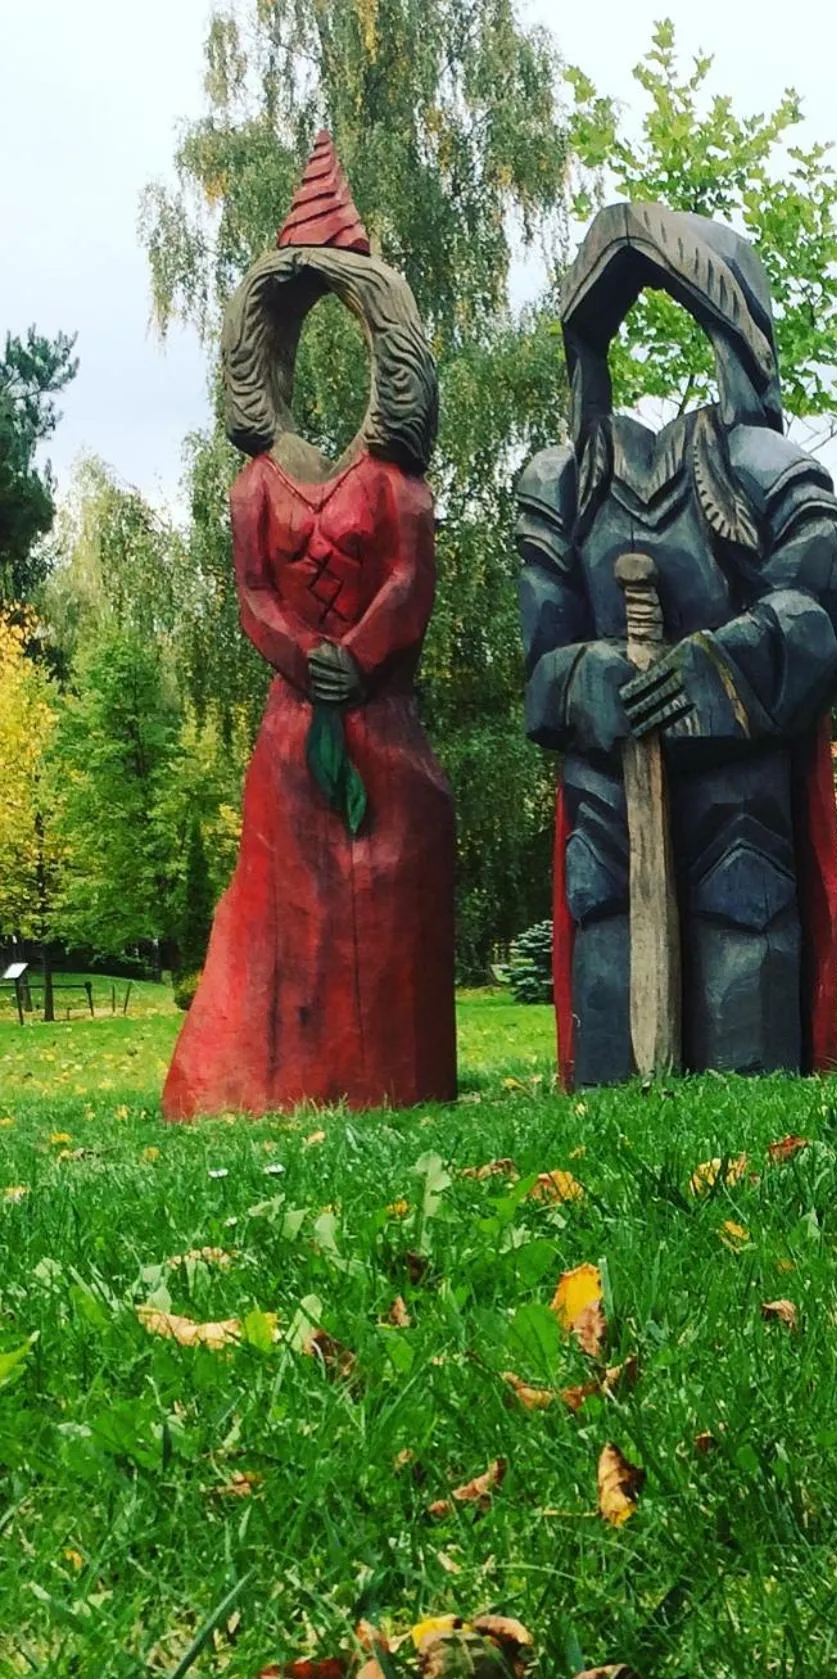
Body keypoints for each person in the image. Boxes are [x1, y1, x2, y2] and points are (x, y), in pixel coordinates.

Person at [516, 203, 837, 1085]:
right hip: (606, 793)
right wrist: (595, 680)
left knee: (745, 909)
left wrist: (709, 672)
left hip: (738, 792)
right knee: (602, 911)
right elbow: (540, 665)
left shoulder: (766, 468)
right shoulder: (558, 486)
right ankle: (613, 1074)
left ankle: (749, 1071)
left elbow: (820, 609)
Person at [162, 134, 456, 1120]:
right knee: (291, 907)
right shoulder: (255, 487)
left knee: (394, 871)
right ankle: (278, 1073)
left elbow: (409, 582)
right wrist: (302, 659)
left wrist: (359, 657)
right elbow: (253, 594)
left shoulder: (394, 487)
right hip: (294, 736)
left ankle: (391, 1073)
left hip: (383, 729)